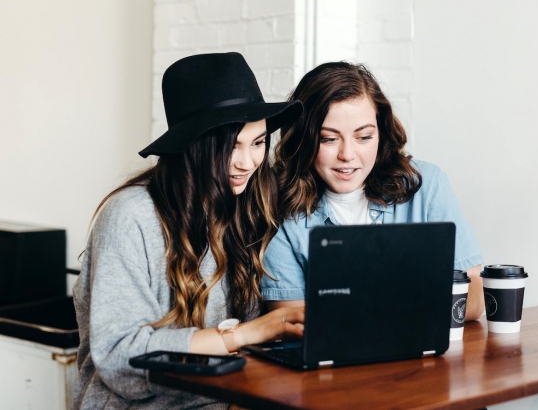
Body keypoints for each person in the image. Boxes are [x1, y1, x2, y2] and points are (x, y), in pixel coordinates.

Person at [73, 52, 304, 409]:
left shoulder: (246, 206)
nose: (247, 162)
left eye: (258, 143)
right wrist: (242, 334)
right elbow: (120, 358)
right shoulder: (131, 216)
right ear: (194, 145)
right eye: (231, 146)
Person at [261, 61, 485, 321]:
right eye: (328, 139)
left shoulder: (426, 185)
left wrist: (359, 309)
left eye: (364, 137)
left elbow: (473, 299)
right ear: (303, 139)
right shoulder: (278, 206)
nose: (347, 155)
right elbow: (290, 321)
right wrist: (411, 299)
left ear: (381, 133)